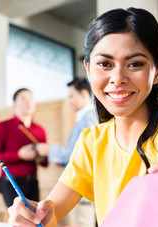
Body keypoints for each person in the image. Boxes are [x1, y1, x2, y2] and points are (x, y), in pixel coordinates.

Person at [7, 8, 158, 227]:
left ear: (157, 71)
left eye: (134, 64)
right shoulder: (91, 141)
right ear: (88, 69)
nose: (118, 78)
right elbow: (49, 213)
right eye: (105, 63)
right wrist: (31, 217)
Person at [36, 78, 98, 227]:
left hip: (81, 193)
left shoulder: (88, 118)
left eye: (71, 96)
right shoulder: (85, 118)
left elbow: (79, 155)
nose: (69, 100)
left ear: (83, 94)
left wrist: (50, 150)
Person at [0, 88, 48, 207]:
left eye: (31, 98)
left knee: (34, 220)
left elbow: (45, 163)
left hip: (33, 182)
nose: (28, 102)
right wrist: (18, 155)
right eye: (23, 99)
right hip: (11, 181)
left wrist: (41, 156)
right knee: (20, 220)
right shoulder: (3, 126)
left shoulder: (40, 130)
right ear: (15, 104)